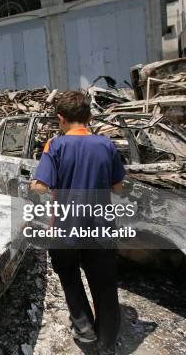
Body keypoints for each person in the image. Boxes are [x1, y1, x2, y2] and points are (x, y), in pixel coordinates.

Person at [29, 91, 125, 355]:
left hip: (65, 227)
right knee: (105, 286)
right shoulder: (107, 145)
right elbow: (118, 188)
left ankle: (83, 327)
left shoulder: (55, 146)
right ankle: (106, 346)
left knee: (69, 274)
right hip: (101, 228)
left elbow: (41, 187)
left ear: (60, 118)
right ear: (90, 117)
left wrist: (34, 183)